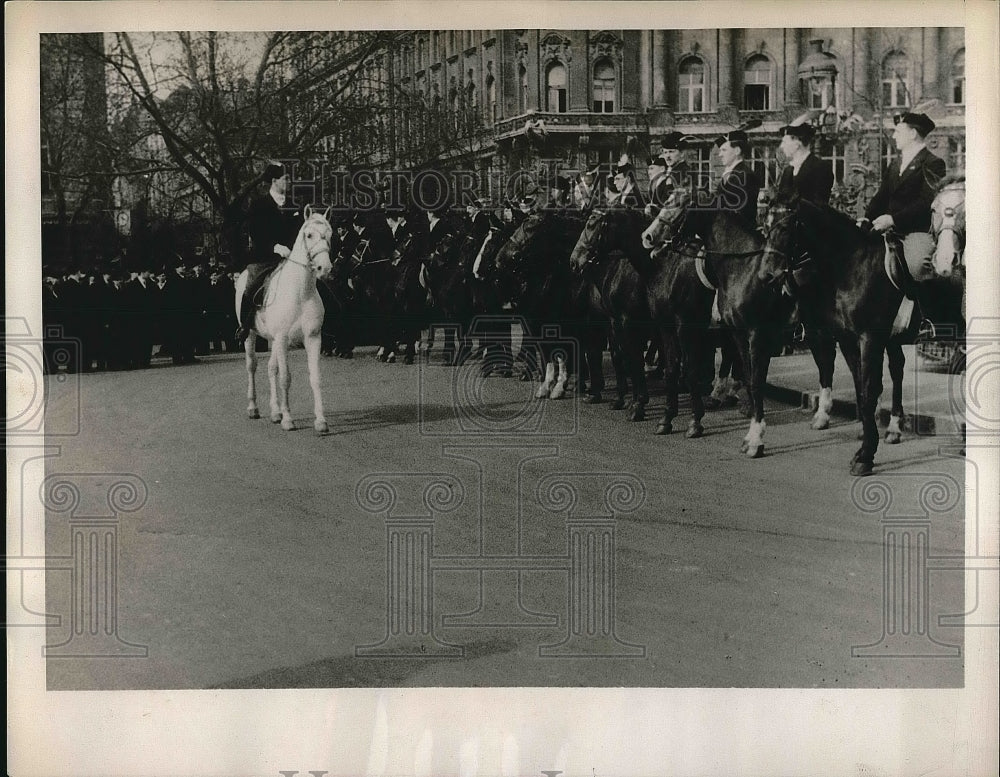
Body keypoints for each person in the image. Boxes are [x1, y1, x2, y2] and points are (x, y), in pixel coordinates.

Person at [862, 111, 946, 281]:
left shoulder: (933, 163)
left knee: (919, 266)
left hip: (916, 230)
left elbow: (926, 202)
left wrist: (893, 219)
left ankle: (929, 307)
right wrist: (866, 220)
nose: (894, 136)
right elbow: (881, 196)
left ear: (913, 134)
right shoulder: (895, 164)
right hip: (887, 227)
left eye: (898, 132)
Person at [236, 161, 303, 344]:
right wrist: (275, 247)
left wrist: (292, 249)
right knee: (250, 287)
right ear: (274, 181)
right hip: (265, 257)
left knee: (318, 283)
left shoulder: (294, 205)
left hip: (292, 258)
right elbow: (255, 232)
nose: (289, 182)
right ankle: (245, 325)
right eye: (286, 178)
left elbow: (299, 230)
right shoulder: (259, 205)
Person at [774, 122, 834, 207]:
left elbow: (820, 205)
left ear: (797, 144)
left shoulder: (820, 167)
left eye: (784, 142)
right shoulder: (788, 171)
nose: (782, 146)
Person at [713, 129, 762, 232]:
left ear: (737, 151)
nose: (720, 154)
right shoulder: (729, 173)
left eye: (724, 150)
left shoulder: (746, 175)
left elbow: (741, 211)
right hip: (725, 233)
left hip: (741, 236)